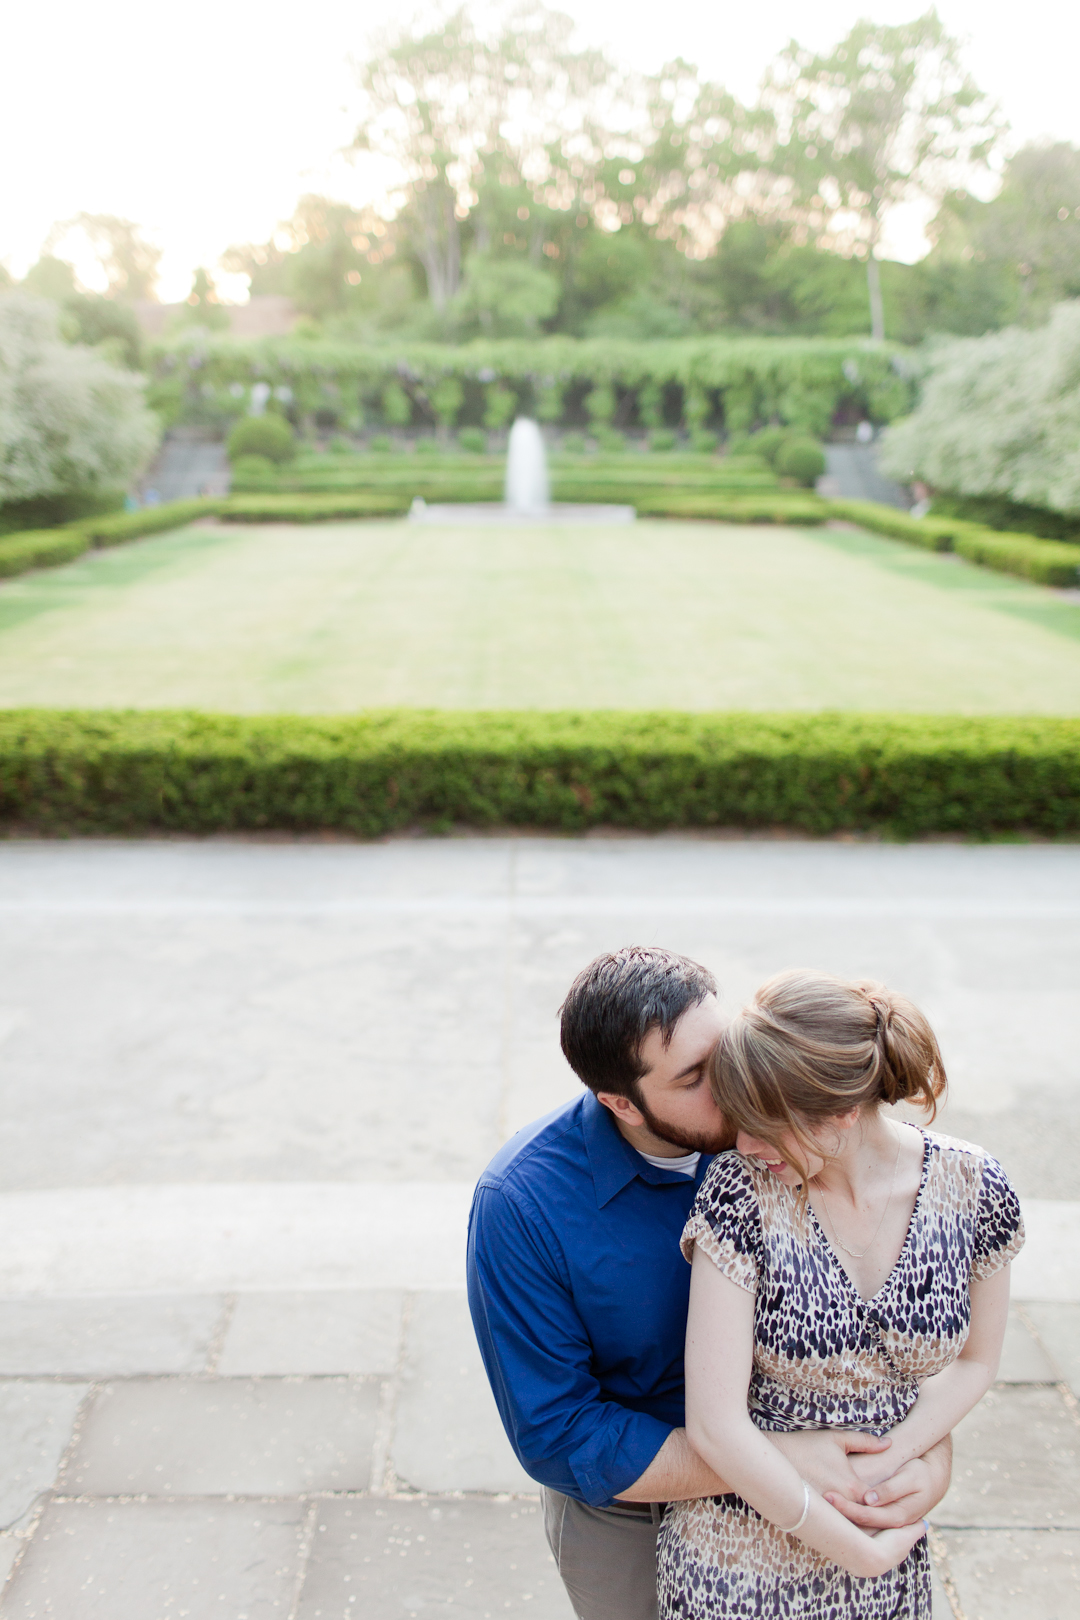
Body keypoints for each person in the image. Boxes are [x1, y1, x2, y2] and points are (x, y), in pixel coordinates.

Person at [467, 948, 953, 1620]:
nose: (734, 1084)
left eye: (724, 1050)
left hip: (823, 1469)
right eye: (695, 1076)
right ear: (621, 1103)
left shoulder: (780, 1135)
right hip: (635, 1509)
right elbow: (560, 1434)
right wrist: (776, 1461)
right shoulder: (522, 1204)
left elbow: (889, 1308)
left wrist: (929, 1454)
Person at [657, 969, 1024, 1620]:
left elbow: (975, 1363)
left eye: (763, 1126)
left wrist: (903, 1465)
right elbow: (715, 1426)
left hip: (884, 1538)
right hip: (740, 1561)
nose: (741, 1146)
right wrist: (852, 1548)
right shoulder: (741, 1194)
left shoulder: (975, 1187)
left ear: (842, 1113)